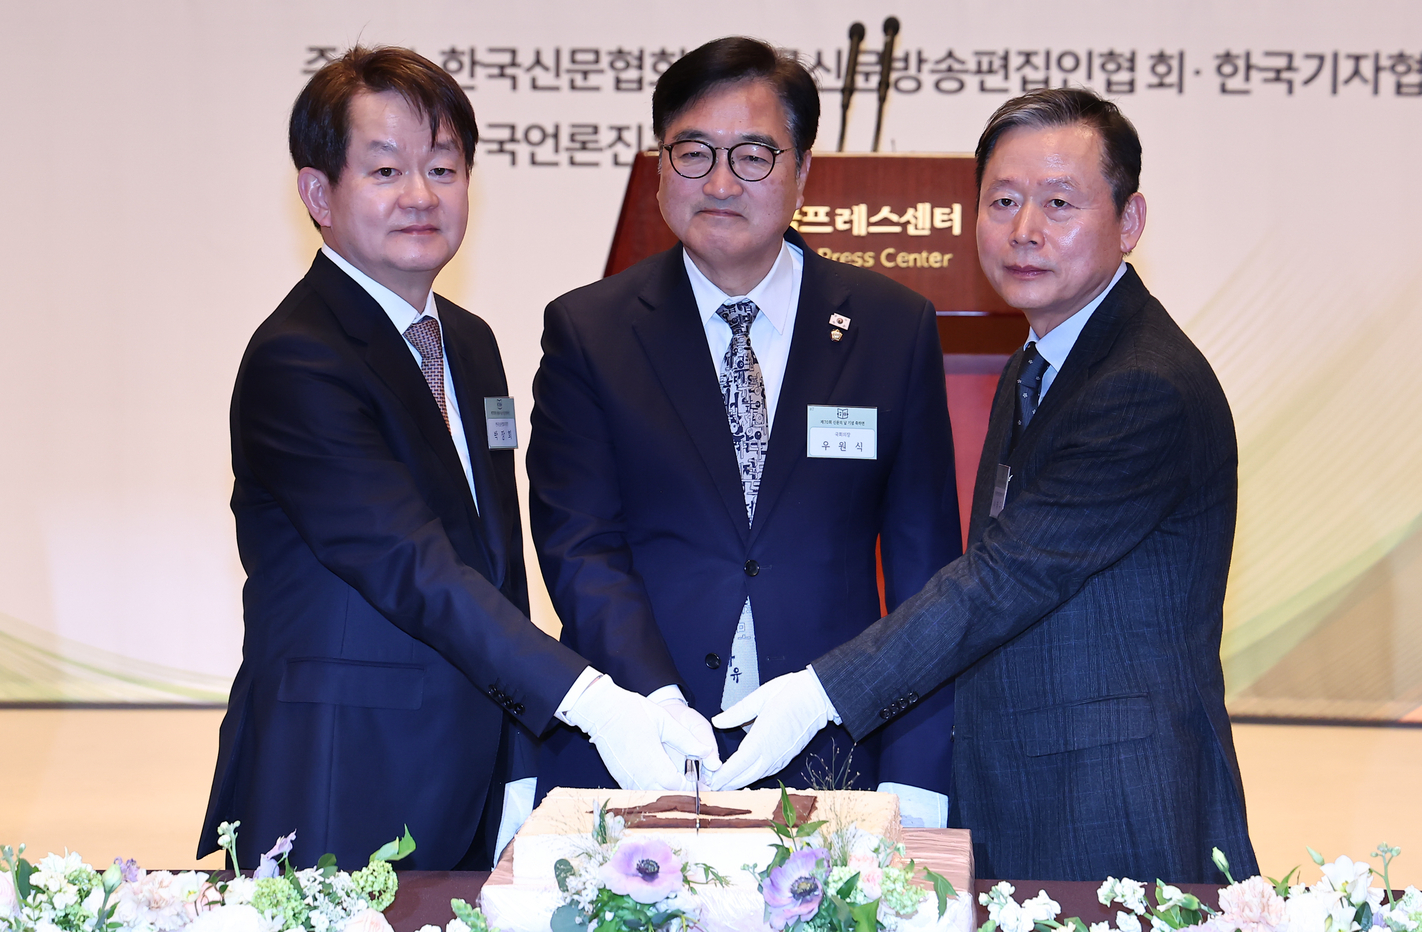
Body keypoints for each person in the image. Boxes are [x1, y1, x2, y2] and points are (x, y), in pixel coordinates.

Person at [712, 87, 1260, 883]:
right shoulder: (1039, 361)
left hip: (1116, 803)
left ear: (1129, 221)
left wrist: (820, 693)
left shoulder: (1142, 384)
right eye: (1003, 201)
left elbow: (1004, 578)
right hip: (1028, 787)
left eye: (1059, 203)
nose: (1024, 229)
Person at [199, 46, 710, 872]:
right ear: (318, 194)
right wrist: (587, 699)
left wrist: (519, 751)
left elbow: (494, 565)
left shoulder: (466, 343)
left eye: (442, 168)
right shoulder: (299, 359)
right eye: (385, 170)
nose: (420, 195)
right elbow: (414, 565)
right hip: (342, 775)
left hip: (477, 771)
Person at [526, 36, 962, 820]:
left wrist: (918, 772)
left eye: (754, 155)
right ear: (661, 169)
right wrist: (653, 702)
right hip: (637, 748)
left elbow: (925, 572)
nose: (721, 182)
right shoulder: (590, 329)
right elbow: (579, 544)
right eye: (693, 153)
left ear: (803, 171)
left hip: (835, 747)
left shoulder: (891, 326)